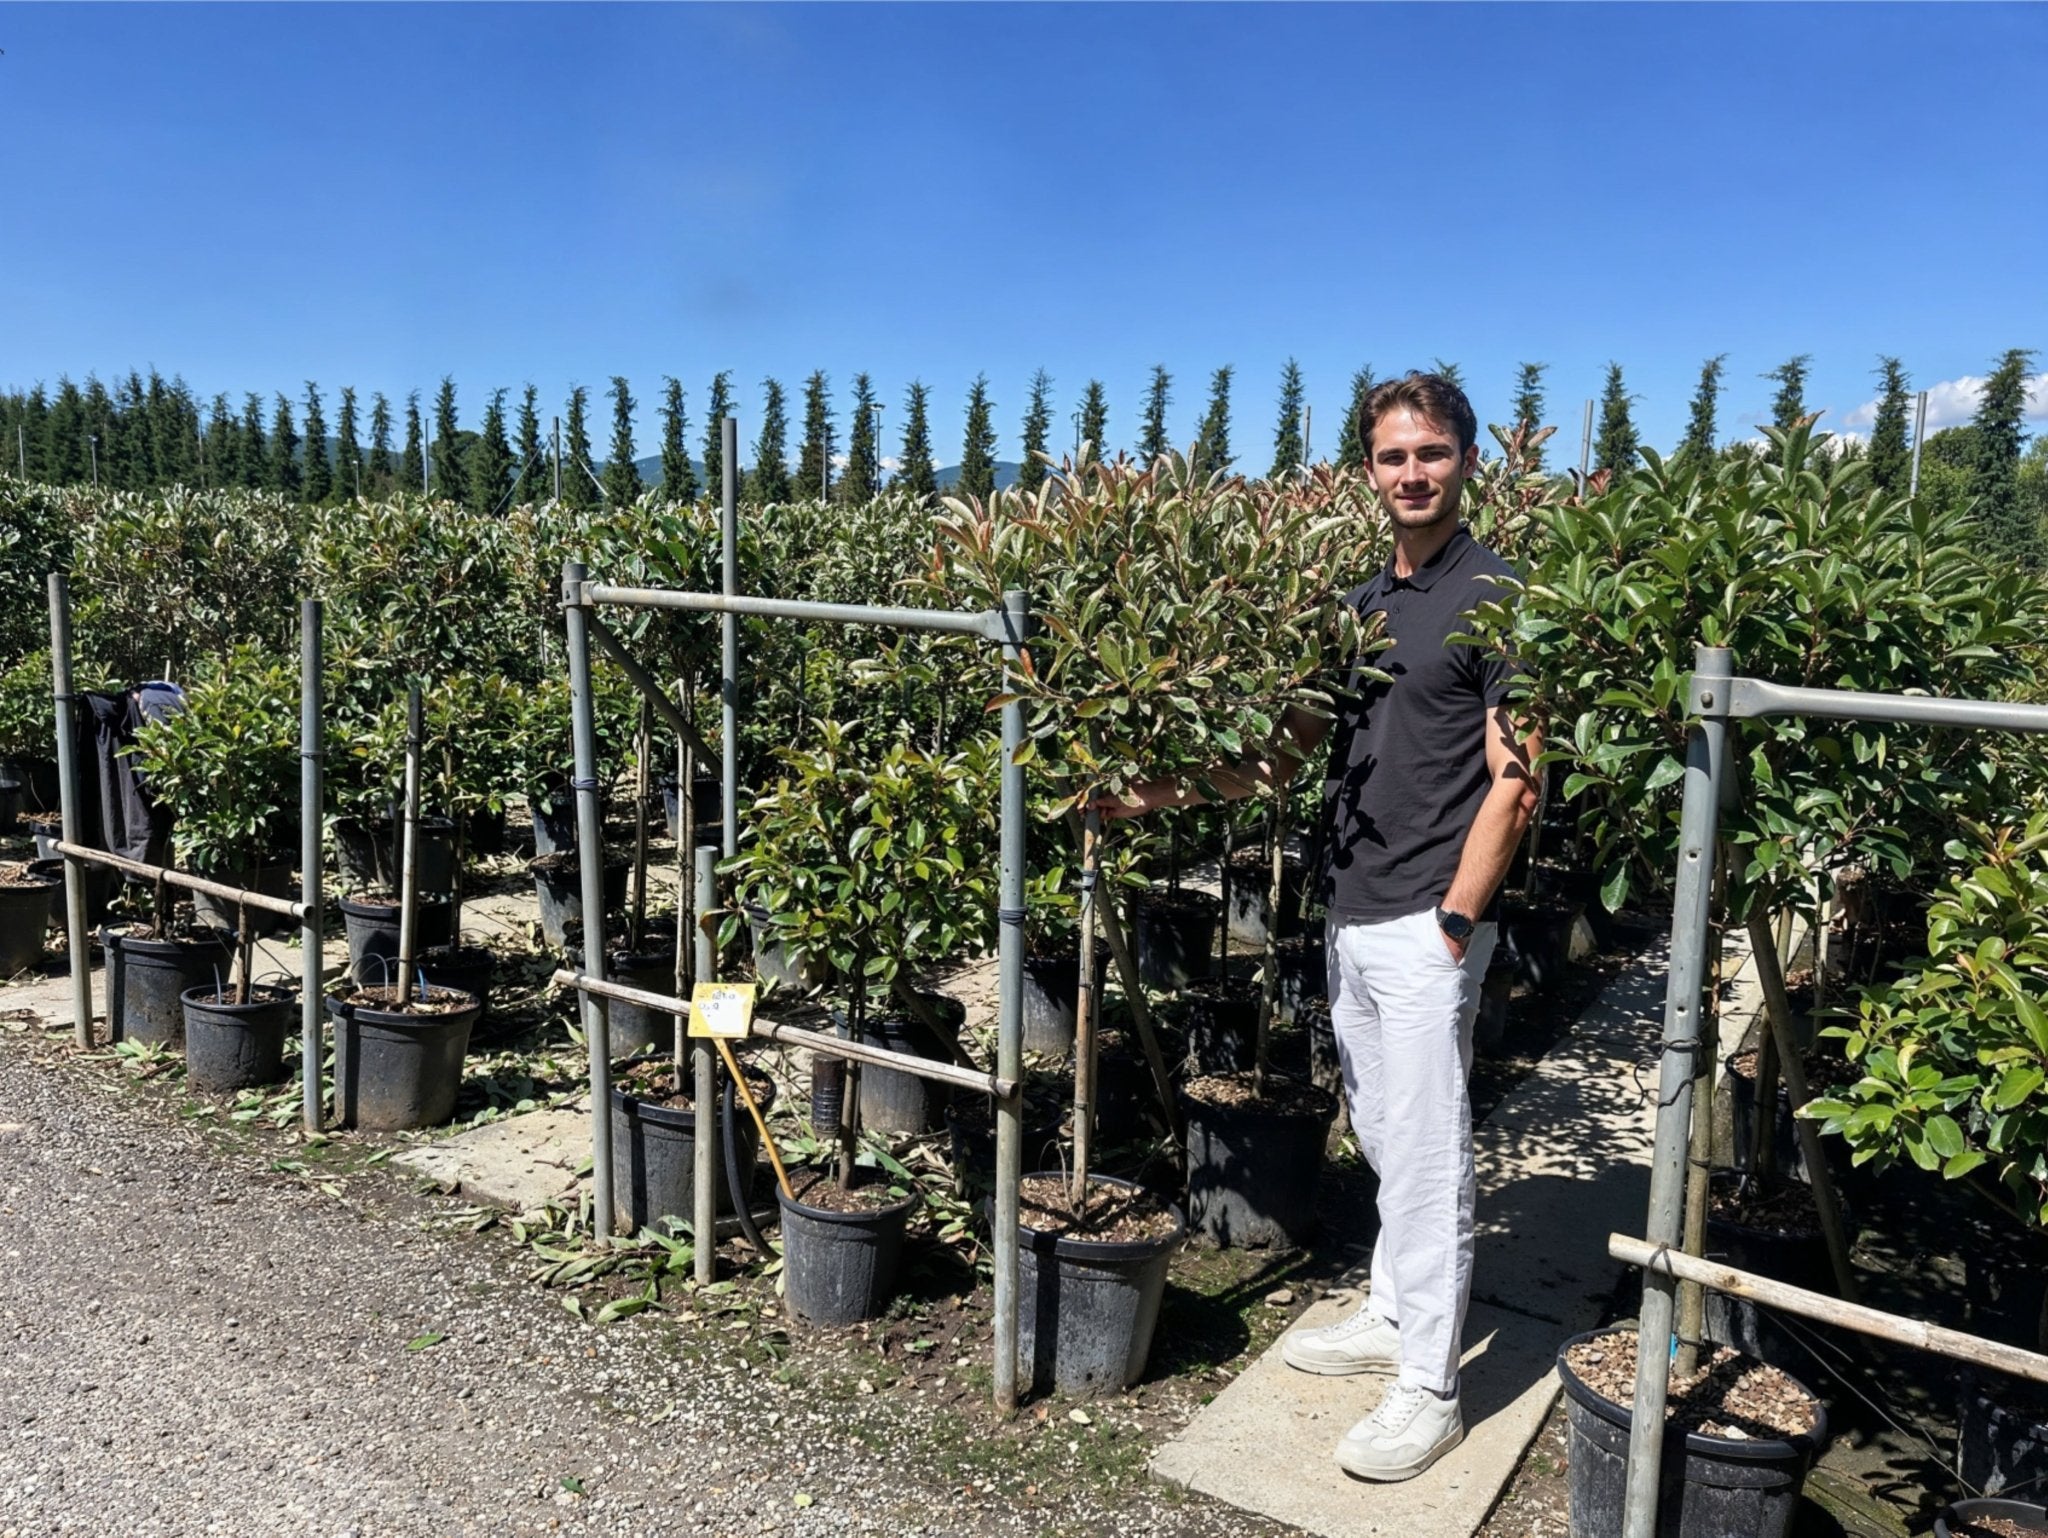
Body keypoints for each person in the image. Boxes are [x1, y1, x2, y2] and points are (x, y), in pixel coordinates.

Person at [1103, 371, 1540, 1482]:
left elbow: (1518, 776)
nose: (1411, 473)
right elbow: (1281, 755)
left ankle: (1429, 1387)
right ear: (1367, 471)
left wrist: (1454, 919)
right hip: (1350, 908)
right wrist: (1139, 794)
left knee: (1429, 1152)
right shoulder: (1356, 609)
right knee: (1384, 1132)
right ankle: (1393, 1312)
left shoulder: (1501, 596)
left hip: (1424, 917)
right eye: (1391, 457)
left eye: (1429, 453)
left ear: (1465, 461)